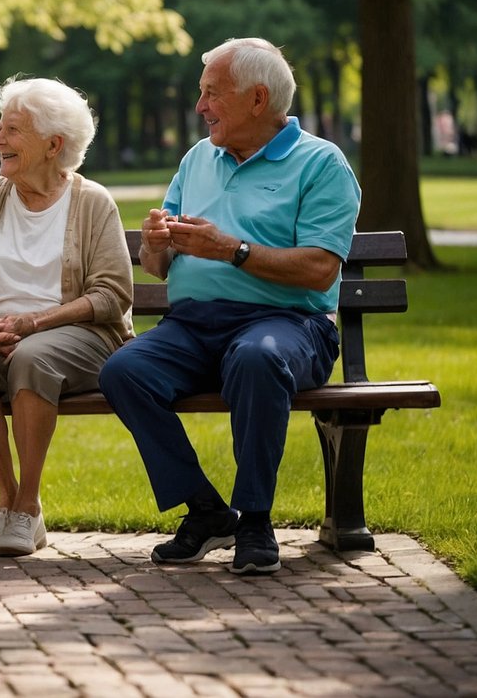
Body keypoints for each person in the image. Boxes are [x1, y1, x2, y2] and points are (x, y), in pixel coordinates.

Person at [99, 38, 361, 576]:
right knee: (125, 371)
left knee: (257, 358)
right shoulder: (198, 158)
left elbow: (319, 269)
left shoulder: (320, 163)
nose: (201, 107)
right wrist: (155, 241)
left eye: (212, 94)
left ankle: (255, 519)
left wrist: (232, 250)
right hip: (194, 325)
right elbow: (158, 265)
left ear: (258, 100)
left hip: (289, 324)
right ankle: (207, 510)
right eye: (202, 94)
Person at [0, 77, 134, 557]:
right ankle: (7, 496)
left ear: (53, 145)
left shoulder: (92, 202)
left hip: (75, 334)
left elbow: (112, 294)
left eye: (12, 131)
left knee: (32, 358)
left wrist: (34, 323)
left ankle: (28, 503)